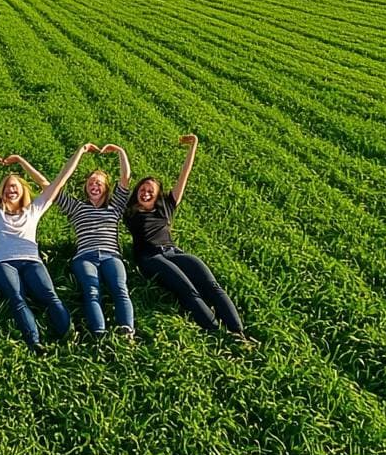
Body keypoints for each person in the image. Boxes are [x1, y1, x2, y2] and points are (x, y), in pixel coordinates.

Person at [123, 133, 247, 336]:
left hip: (174, 252)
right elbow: (123, 182)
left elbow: (184, 175)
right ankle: (216, 331)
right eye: (142, 189)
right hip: (150, 257)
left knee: (212, 286)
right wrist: (121, 153)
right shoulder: (129, 212)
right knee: (187, 289)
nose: (145, 192)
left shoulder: (166, 208)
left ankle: (237, 332)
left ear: (158, 195)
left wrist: (193, 146)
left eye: (150, 191)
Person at [0, 145, 88, 355]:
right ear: (2, 192)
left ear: (23, 190)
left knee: (50, 296)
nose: (11, 189)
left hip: (32, 262)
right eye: (7, 187)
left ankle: (69, 338)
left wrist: (21, 161)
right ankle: (35, 342)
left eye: (15, 186)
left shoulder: (34, 209)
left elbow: (60, 179)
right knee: (17, 298)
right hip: (2, 262)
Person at [53, 143, 135, 338]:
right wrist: (79, 152)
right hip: (85, 257)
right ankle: (99, 332)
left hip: (111, 256)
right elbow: (54, 187)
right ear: (86, 187)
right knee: (91, 291)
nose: (94, 185)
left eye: (98, 182)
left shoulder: (115, 206)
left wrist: (120, 151)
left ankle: (127, 331)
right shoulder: (76, 208)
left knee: (120, 289)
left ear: (106, 187)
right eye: (91, 182)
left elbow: (125, 178)